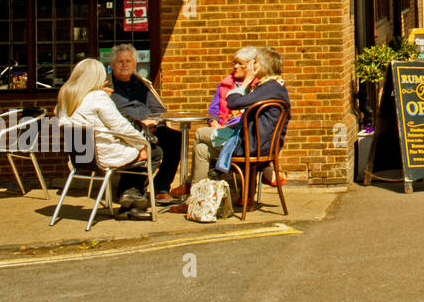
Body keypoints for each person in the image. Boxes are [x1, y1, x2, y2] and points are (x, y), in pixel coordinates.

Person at [176, 46, 289, 210]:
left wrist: (246, 81)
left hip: (251, 147)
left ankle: (195, 195)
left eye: (254, 63)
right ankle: (196, 199)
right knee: (201, 149)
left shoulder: (267, 87)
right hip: (258, 144)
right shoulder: (275, 86)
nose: (252, 66)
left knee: (200, 133)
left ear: (262, 66)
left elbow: (234, 102)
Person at [56, 58, 155, 215]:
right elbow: (120, 126)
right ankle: (131, 199)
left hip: (81, 158)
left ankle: (130, 201)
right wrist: (142, 144)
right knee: (154, 151)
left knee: (141, 150)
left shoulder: (65, 96)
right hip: (104, 155)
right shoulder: (97, 97)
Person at [107, 43, 182, 204]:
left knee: (176, 138)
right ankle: (130, 191)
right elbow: (109, 116)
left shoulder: (142, 84)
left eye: (129, 61)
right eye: (120, 61)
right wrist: (140, 124)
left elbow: (159, 109)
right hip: (127, 131)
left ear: (135, 64)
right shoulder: (107, 89)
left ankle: (161, 188)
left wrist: (154, 121)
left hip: (152, 127)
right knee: (151, 148)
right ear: (112, 65)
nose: (125, 64)